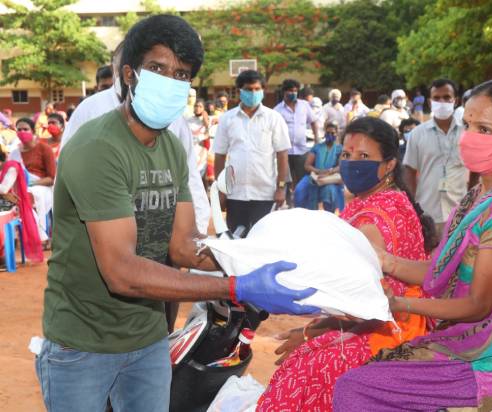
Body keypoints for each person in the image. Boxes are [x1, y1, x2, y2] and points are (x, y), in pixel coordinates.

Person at [36, 16, 318, 412]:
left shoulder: (169, 146)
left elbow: (184, 246)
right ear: (129, 74)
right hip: (84, 343)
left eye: (181, 74)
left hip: (147, 339)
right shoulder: (98, 147)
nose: (170, 81)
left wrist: (253, 257)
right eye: (157, 68)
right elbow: (121, 272)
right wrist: (235, 287)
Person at [333, 79, 492, 411]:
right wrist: (383, 259)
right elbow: (439, 269)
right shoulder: (479, 195)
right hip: (474, 341)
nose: (468, 137)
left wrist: (397, 304)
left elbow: (477, 305)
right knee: (371, 375)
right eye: (467, 125)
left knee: (356, 387)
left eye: (484, 129)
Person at [258, 117, 436, 411]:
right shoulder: (391, 199)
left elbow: (364, 306)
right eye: (347, 154)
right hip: (402, 320)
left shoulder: (371, 221)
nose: (352, 163)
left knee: (303, 370)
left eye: (364, 156)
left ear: (389, 165)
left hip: (388, 329)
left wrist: (311, 333)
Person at [60, 41, 211, 235]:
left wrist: (197, 233)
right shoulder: (90, 110)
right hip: (99, 236)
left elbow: (191, 181)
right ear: (123, 70)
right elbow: (66, 174)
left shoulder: (174, 119)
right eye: (154, 69)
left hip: (162, 240)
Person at [214, 70, 291, 235]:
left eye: (257, 89)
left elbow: (282, 154)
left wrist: (281, 187)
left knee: (262, 239)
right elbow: (219, 155)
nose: (253, 93)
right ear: (240, 91)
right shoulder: (227, 119)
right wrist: (220, 191)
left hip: (265, 194)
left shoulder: (274, 118)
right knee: (236, 239)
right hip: (235, 194)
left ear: (263, 90)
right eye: (249, 89)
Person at [403, 78, 474, 239]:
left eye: (447, 97)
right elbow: (409, 172)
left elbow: (475, 170)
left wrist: (471, 201)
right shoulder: (417, 134)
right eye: (436, 98)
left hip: (460, 212)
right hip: (427, 212)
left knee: (459, 254)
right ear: (430, 102)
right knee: (429, 254)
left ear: (455, 101)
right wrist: (412, 208)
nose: (441, 102)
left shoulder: (467, 133)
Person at [11, 117, 55, 244]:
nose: (22, 132)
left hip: (43, 187)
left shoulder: (44, 149)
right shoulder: (14, 153)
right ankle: (16, 236)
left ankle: (38, 234)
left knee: (28, 194)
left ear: (33, 131)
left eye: (25, 129)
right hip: (20, 188)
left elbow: (51, 178)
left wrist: (30, 183)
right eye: (19, 130)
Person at [274, 79, 319, 199]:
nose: (293, 93)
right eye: (290, 91)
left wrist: (317, 140)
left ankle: (302, 203)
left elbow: (314, 121)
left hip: (302, 151)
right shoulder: (277, 110)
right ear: (284, 92)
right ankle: (287, 203)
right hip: (284, 152)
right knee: (285, 180)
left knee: (303, 179)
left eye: (295, 91)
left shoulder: (304, 105)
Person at [0, 148, 43, 263]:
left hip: (13, 207)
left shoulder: (12, 167)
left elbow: (4, 189)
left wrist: (4, 195)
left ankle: (2, 255)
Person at [293, 120, 344, 212]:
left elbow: (341, 166)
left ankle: (329, 215)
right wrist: (319, 171)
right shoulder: (317, 147)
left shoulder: (340, 149)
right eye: (327, 133)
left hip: (331, 177)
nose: (329, 135)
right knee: (299, 190)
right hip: (315, 175)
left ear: (336, 134)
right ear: (324, 133)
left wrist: (329, 172)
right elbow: (307, 165)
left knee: (329, 191)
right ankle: (305, 213)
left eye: (332, 133)